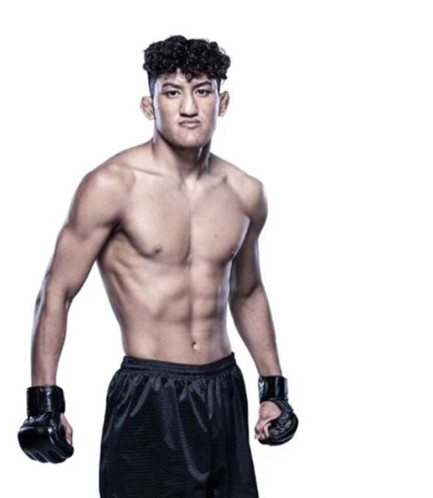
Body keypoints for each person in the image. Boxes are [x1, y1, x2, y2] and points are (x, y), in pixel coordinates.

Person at [18, 35, 298, 497]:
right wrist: (43, 401)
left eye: (202, 90)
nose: (189, 107)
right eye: (172, 92)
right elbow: (57, 291)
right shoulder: (111, 186)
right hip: (150, 395)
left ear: (222, 101)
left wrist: (273, 390)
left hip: (224, 389)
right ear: (149, 106)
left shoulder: (246, 192)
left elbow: (247, 292)